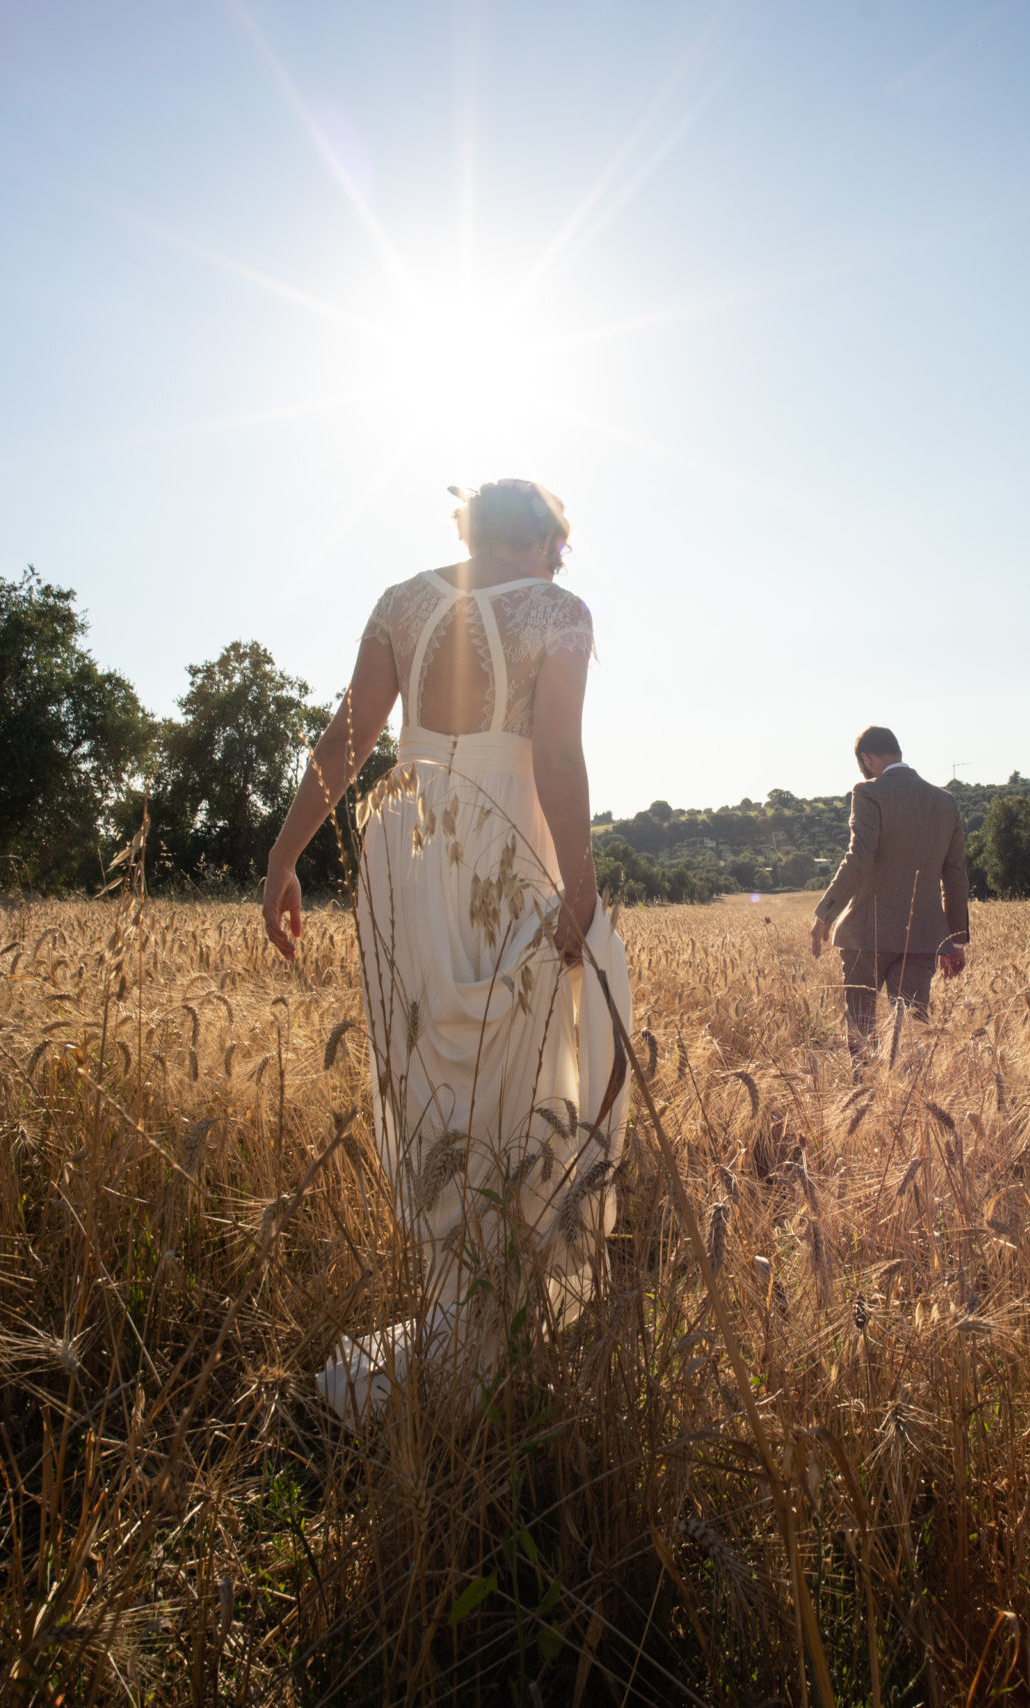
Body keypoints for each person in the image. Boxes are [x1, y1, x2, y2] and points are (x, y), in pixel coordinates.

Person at [260, 479, 632, 1426]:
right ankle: (484, 1326)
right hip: (502, 843)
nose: (562, 562)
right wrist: (580, 880)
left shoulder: (400, 602)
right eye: (561, 545)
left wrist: (286, 853)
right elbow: (556, 755)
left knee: (433, 1076)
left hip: (408, 848)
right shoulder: (560, 612)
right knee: (526, 1057)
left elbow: (347, 738)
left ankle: (455, 1316)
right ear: (546, 541)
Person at [807, 726, 971, 1051]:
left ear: (866, 759)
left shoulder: (868, 792)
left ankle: (865, 1095)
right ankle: (907, 1100)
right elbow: (955, 875)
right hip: (923, 936)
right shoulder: (945, 802)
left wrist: (825, 912)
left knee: (862, 1035)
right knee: (910, 1038)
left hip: (867, 934)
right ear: (897, 752)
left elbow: (859, 857)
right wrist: (956, 939)